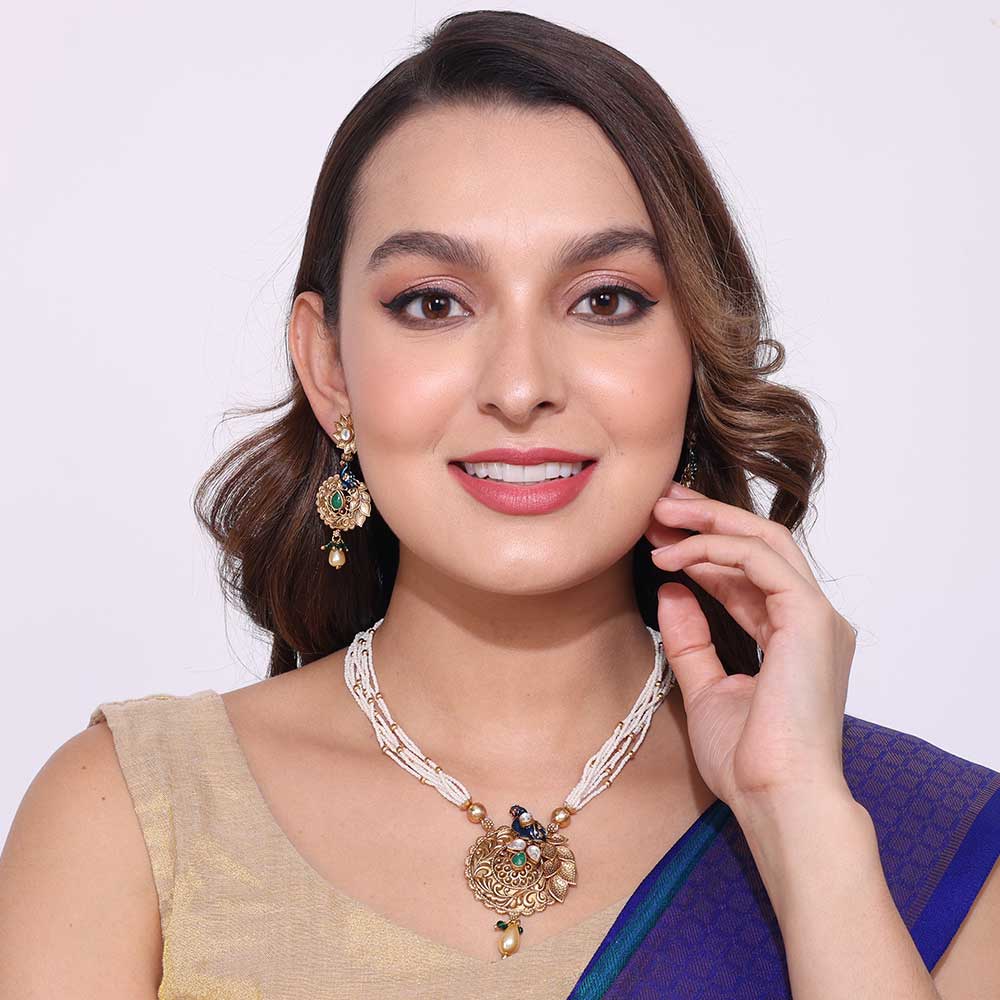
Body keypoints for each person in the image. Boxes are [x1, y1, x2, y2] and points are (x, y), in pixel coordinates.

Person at [1, 10, 997, 999]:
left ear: (693, 352)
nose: (519, 386)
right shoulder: (129, 819)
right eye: (434, 302)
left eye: (604, 299)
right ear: (329, 365)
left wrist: (804, 823)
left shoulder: (925, 840)